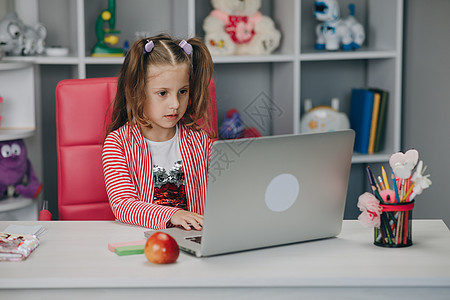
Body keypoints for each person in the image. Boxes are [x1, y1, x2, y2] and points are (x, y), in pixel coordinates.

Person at [102, 34, 214, 231]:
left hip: (193, 240)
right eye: (162, 93)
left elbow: (222, 192)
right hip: (142, 241)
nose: (175, 104)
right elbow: (123, 206)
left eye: (183, 91)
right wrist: (174, 214)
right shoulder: (118, 143)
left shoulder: (200, 140)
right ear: (136, 91)